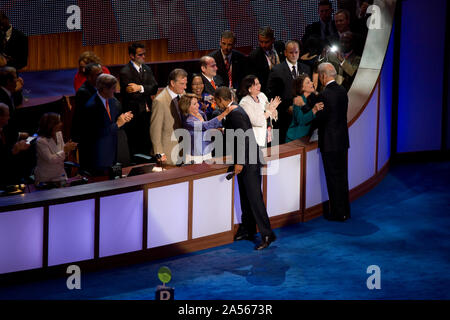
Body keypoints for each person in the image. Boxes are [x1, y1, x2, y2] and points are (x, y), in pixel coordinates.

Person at [214, 86, 276, 250]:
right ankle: (248, 230)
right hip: (247, 159)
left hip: (248, 161)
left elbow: (243, 138)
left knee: (255, 199)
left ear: (222, 100)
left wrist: (240, 162)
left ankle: (267, 234)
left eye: (217, 101)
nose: (216, 105)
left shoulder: (236, 113)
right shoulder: (236, 111)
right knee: (246, 198)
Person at [315, 63, 351, 221]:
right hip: (342, 141)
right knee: (342, 177)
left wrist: (314, 112)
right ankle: (345, 211)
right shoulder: (343, 90)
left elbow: (322, 118)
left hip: (329, 142)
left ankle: (337, 213)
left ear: (323, 76)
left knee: (333, 178)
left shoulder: (324, 94)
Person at [84, 74, 133, 175]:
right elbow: (97, 133)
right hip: (99, 156)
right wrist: (117, 124)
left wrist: (124, 118)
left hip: (113, 153)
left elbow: (118, 122)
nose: (115, 91)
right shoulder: (92, 106)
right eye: (113, 88)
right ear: (103, 89)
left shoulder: (113, 101)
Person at [267, 40, 311, 144]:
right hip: (285, 119)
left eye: (296, 52)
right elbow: (271, 95)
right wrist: (286, 108)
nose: (294, 55)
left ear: (299, 52)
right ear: (285, 53)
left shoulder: (306, 68)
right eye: (291, 52)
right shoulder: (277, 70)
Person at [119, 42, 158, 156]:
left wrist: (139, 87)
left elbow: (155, 87)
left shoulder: (147, 69)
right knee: (135, 146)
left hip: (147, 112)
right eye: (140, 55)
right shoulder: (125, 72)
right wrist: (146, 89)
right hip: (134, 114)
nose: (143, 57)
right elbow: (133, 95)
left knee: (147, 143)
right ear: (132, 56)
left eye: (144, 54)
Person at [179, 93, 235, 163]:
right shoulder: (188, 121)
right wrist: (225, 113)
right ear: (186, 107)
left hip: (207, 152)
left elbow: (207, 128)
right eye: (194, 104)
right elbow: (206, 125)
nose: (198, 105)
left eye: (197, 103)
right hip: (195, 157)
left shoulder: (200, 113)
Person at [150, 68, 188, 166]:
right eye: (182, 84)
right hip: (168, 151)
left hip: (183, 149)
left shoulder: (183, 95)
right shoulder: (160, 101)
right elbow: (155, 130)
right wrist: (159, 153)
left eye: (185, 84)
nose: (185, 87)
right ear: (172, 83)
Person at [34, 113, 78, 186]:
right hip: (46, 179)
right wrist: (65, 150)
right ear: (51, 125)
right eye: (59, 122)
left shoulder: (59, 134)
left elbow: (63, 153)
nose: (61, 124)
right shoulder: (40, 141)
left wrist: (69, 149)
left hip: (60, 175)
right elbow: (51, 159)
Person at [238, 75, 280, 147]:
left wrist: (274, 110)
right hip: (255, 139)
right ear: (249, 88)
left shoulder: (262, 96)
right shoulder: (245, 103)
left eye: (259, 83)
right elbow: (257, 121)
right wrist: (269, 110)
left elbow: (270, 113)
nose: (259, 86)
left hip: (268, 135)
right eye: (256, 84)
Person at [286, 74, 324, 142]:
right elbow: (301, 120)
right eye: (308, 82)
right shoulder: (298, 100)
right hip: (295, 138)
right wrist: (314, 110)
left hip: (308, 137)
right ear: (302, 88)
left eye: (311, 81)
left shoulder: (313, 98)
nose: (312, 83)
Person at [0, 103, 30, 188]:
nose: (9, 118)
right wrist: (14, 150)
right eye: (7, 115)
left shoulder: (5, 129)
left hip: (12, 175)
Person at [248, 27, 285, 94]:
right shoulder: (254, 56)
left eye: (266, 42)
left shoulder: (280, 46)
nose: (263, 45)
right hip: (267, 92)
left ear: (273, 40)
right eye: (261, 42)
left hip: (284, 88)